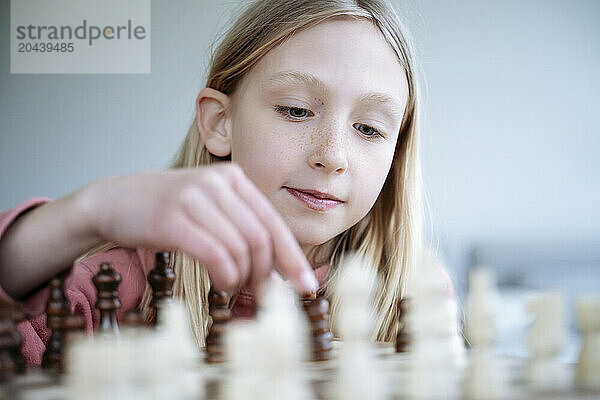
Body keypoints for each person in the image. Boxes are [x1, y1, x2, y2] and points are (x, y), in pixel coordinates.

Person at [0, 0, 454, 366]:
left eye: (370, 129)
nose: (332, 155)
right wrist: (87, 212)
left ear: (395, 156)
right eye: (296, 110)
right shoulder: (102, 290)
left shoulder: (414, 294)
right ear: (220, 122)